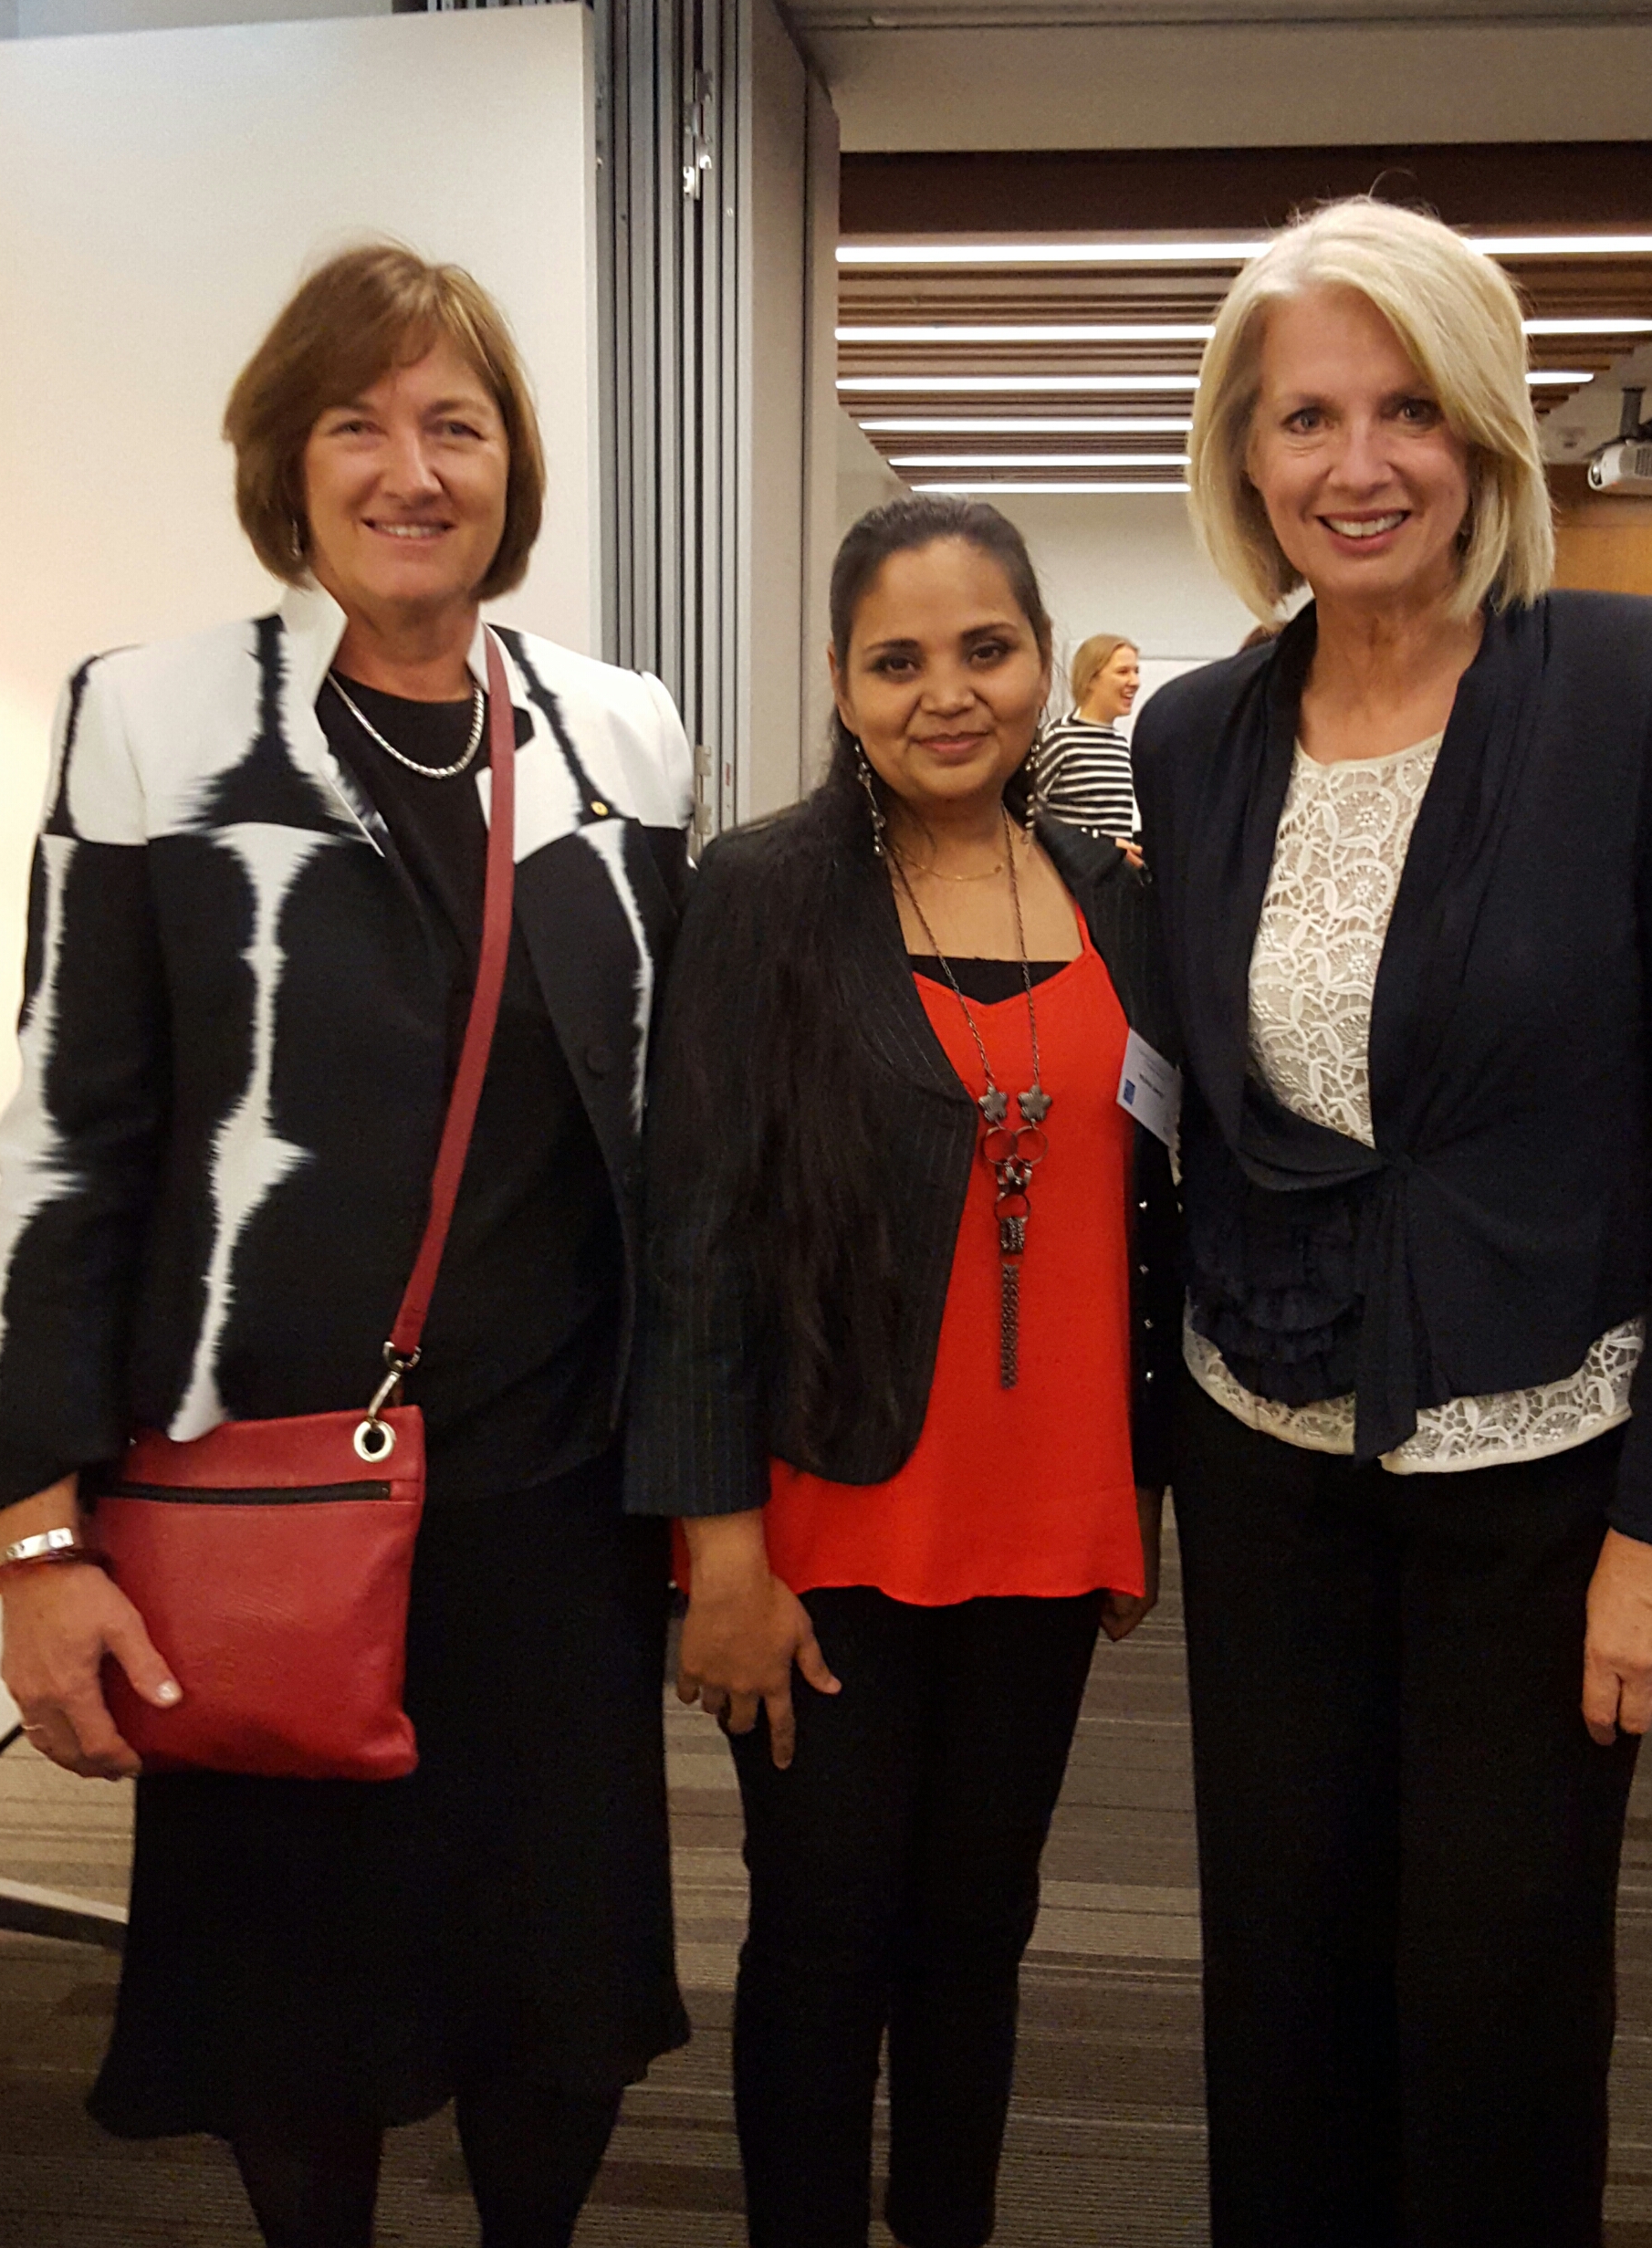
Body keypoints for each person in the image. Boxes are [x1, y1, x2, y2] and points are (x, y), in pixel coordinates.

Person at [0, 246, 695, 2248]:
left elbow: (669, 1140)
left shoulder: (615, 735)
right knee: (298, 2007)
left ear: (511, 467)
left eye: (454, 422)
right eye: (357, 420)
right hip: (251, 1494)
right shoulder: (157, 716)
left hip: (552, 1502)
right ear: (284, 465)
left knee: (553, 1995)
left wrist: (706, 1493)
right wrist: (35, 1534)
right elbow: (71, 1141)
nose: (410, 466)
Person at [1134, 197, 1652, 2248]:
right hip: (1270, 1454)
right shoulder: (1193, 728)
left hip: (1542, 1459)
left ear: (1487, 433)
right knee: (1282, 1966)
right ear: (1241, 454)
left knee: (1495, 1984)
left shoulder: (1649, 681)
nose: (1356, 465)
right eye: (1303, 415)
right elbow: (1206, 1127)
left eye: (1407, 407)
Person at [625, 496, 1177, 2248]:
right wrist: (718, 1551)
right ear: (846, 686)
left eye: (987, 649)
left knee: (981, 1925)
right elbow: (696, 1235)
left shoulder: (1109, 892)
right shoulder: (769, 888)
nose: (950, 692)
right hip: (831, 1515)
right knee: (821, 1930)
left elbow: (1151, 1198)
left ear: (1039, 661)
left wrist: (1145, 1487)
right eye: (899, 658)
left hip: (1054, 1511)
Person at [1031, 632, 1142, 859]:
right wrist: (1104, 845)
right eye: (1123, 672)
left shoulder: (1119, 744)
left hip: (1112, 882)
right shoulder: (1058, 738)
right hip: (1073, 882)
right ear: (1091, 679)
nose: (1135, 681)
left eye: (1136, 671)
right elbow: (1030, 815)